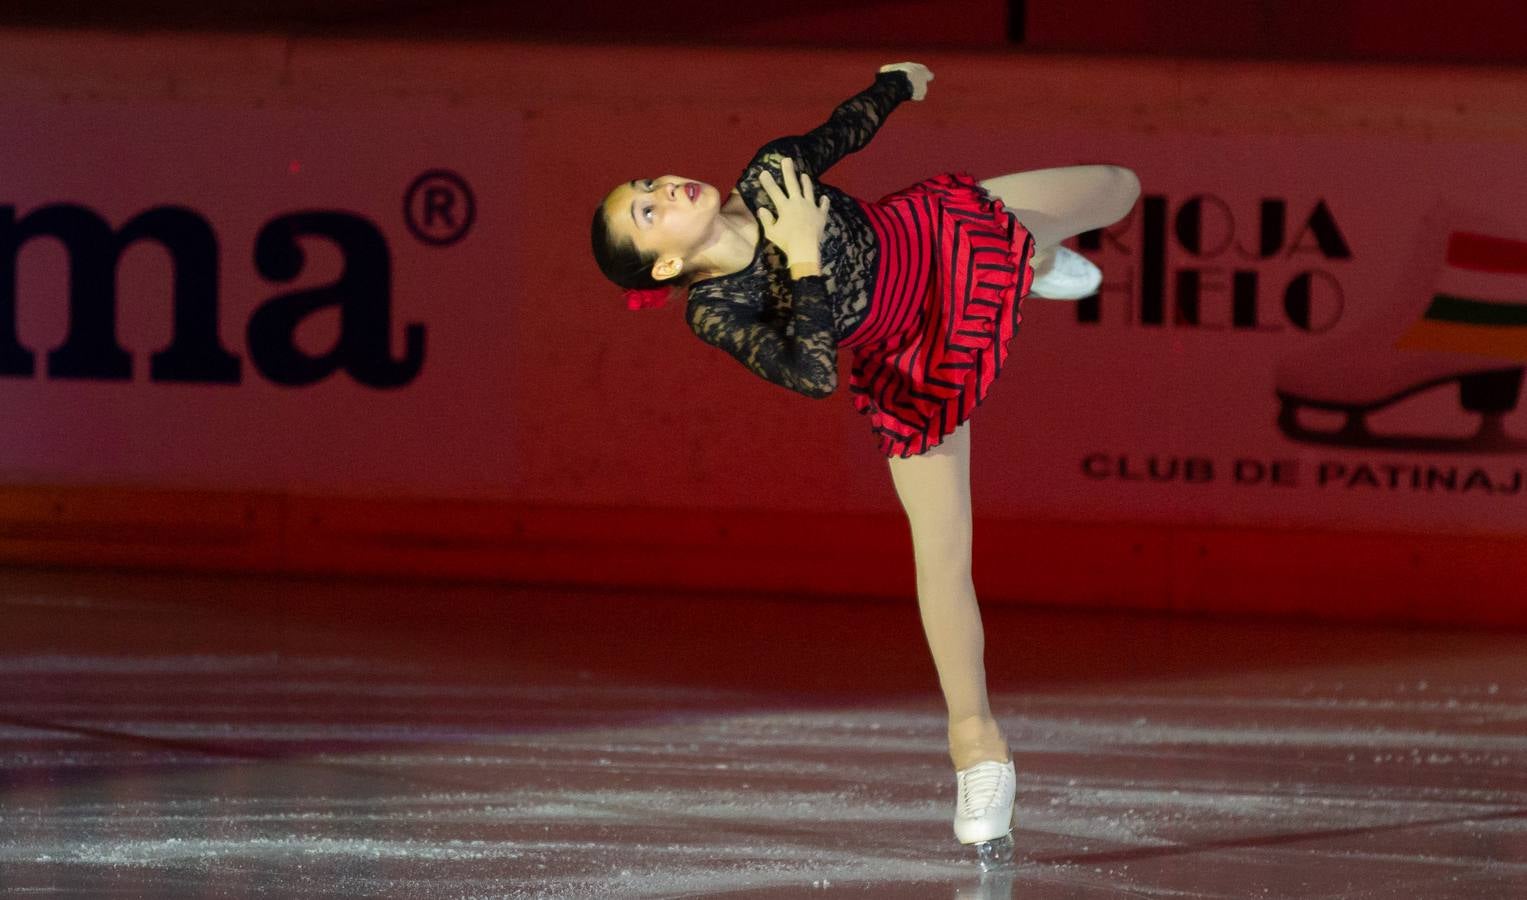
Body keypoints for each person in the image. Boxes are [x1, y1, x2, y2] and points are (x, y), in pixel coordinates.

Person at [589, 61, 1140, 868]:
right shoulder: (718, 308)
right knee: (942, 558)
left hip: (939, 238)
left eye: (650, 180)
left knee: (1118, 186)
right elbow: (812, 374)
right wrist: (804, 257)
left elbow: (838, 132)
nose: (667, 187)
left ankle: (1025, 259)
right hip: (912, 355)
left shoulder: (770, 174)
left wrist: (893, 85)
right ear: (664, 266)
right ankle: (977, 753)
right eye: (648, 208)